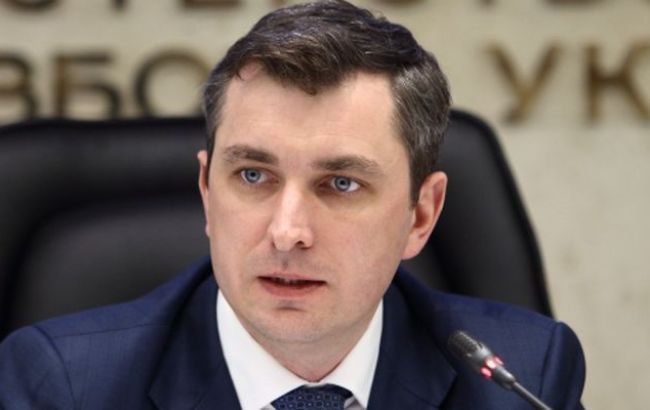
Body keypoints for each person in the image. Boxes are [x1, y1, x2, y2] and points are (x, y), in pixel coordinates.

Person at [0, 1, 585, 408]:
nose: (287, 232)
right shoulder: (66, 386)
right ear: (207, 192)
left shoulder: (522, 377)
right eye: (253, 175)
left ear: (422, 215)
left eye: (341, 184)